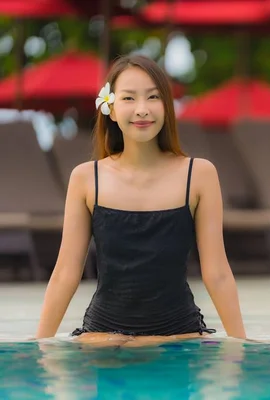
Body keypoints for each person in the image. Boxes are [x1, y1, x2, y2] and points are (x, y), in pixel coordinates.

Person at [35, 55, 246, 346]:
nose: (142, 110)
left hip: (179, 337)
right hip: (103, 339)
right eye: (129, 98)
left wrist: (242, 348)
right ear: (110, 108)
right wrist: (39, 349)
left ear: (166, 107)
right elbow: (65, 274)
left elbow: (218, 273)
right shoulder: (86, 178)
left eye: (153, 97)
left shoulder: (199, 174)